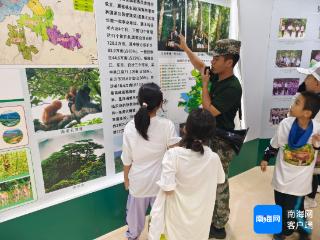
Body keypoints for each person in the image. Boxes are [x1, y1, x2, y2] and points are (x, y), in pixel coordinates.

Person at [177, 35, 242, 239]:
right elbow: (200, 65)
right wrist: (186, 47)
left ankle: (220, 224)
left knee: (220, 181)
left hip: (223, 141)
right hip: (210, 136)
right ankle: (208, 216)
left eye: (216, 58)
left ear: (229, 62)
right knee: (207, 179)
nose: (211, 62)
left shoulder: (233, 87)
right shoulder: (217, 75)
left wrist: (204, 85)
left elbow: (208, 110)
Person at [148, 109, 225, 240]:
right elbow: (220, 179)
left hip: (175, 220)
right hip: (201, 220)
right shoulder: (214, 158)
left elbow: (167, 188)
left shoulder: (173, 155)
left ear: (185, 129)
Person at [121, 83, 180, 240]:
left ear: (140, 102)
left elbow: (127, 160)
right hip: (160, 183)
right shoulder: (167, 125)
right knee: (159, 219)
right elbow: (175, 153)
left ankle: (132, 236)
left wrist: (126, 179)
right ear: (160, 104)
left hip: (138, 183)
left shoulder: (129, 127)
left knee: (134, 221)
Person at [260, 91, 320, 240]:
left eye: (297, 102)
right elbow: (274, 144)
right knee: (280, 205)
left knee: (292, 209)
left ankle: (290, 231)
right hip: (281, 177)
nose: (292, 104)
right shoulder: (285, 124)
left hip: (299, 182)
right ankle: (294, 230)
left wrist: (316, 146)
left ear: (307, 113)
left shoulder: (317, 129)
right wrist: (266, 158)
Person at [296, 62, 320, 208]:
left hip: (314, 144)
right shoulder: (308, 96)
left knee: (313, 171)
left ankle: (310, 199)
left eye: (308, 77)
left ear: (317, 83)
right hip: (307, 143)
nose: (305, 80)